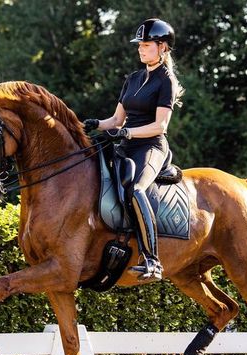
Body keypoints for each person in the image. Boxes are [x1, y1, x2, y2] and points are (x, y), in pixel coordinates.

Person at [84, 18, 183, 282]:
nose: (141, 48)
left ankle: (152, 259)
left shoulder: (166, 81)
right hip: (126, 144)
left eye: (147, 44)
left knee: (136, 189)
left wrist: (127, 132)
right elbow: (116, 121)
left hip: (150, 147)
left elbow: (160, 126)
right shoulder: (134, 78)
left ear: (162, 47)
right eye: (140, 44)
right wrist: (93, 124)